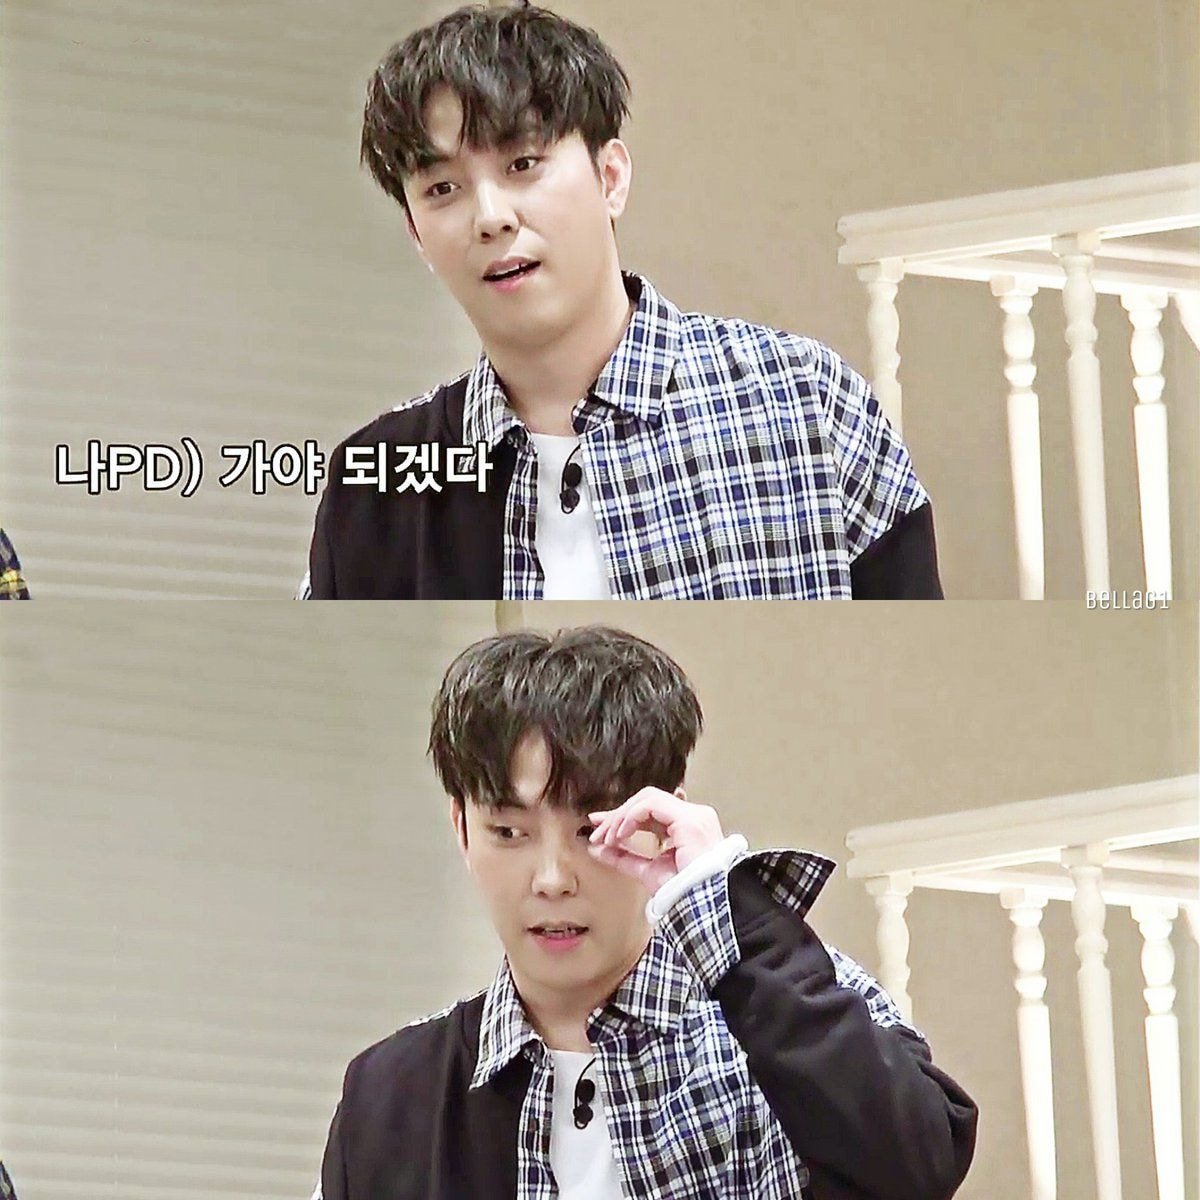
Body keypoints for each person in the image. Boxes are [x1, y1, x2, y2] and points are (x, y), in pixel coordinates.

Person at [300, 4, 944, 600]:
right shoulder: (374, 483)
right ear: (416, 233)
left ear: (610, 177)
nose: (490, 217)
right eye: (443, 188)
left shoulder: (807, 400)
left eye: (523, 164)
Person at [315, 626, 977, 1199]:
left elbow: (921, 1166)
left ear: (661, 821)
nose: (552, 879)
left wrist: (722, 899)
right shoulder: (390, 1094)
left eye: (590, 830)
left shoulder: (791, 1013)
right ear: (462, 828)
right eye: (509, 832)